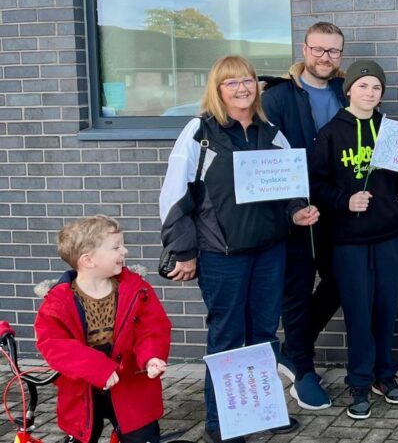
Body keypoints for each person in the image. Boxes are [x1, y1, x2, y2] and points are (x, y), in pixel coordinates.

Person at [159, 55, 319, 443]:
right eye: (231, 82)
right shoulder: (200, 132)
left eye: (247, 80)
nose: (241, 88)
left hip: (269, 251)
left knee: (264, 334)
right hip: (221, 256)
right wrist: (184, 251)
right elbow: (175, 196)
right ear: (217, 89)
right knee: (227, 338)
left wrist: (297, 211)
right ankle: (222, 423)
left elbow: (289, 187)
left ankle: (264, 410)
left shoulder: (271, 132)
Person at [309, 60, 398, 418]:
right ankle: (359, 382)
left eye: (376, 87)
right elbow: (315, 184)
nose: (370, 93)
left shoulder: (390, 131)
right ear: (349, 89)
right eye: (363, 86)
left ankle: (385, 376)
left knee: (385, 310)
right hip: (349, 241)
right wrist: (344, 201)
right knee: (358, 313)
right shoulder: (330, 133)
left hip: (387, 237)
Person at [260, 21, 347, 411]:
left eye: (333, 51)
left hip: (337, 206)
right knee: (295, 290)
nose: (326, 58)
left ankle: (294, 352)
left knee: (340, 280)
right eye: (319, 50)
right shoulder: (279, 97)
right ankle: (304, 371)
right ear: (305, 49)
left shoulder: (345, 90)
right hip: (295, 211)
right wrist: (291, 207)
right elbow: (264, 158)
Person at [35, 215, 171, 443]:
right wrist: (98, 369)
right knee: (83, 436)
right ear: (88, 260)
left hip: (131, 388)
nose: (125, 251)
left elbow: (152, 327)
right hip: (83, 393)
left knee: (141, 436)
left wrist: (151, 356)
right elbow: (55, 346)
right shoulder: (57, 303)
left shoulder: (137, 290)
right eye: (116, 247)